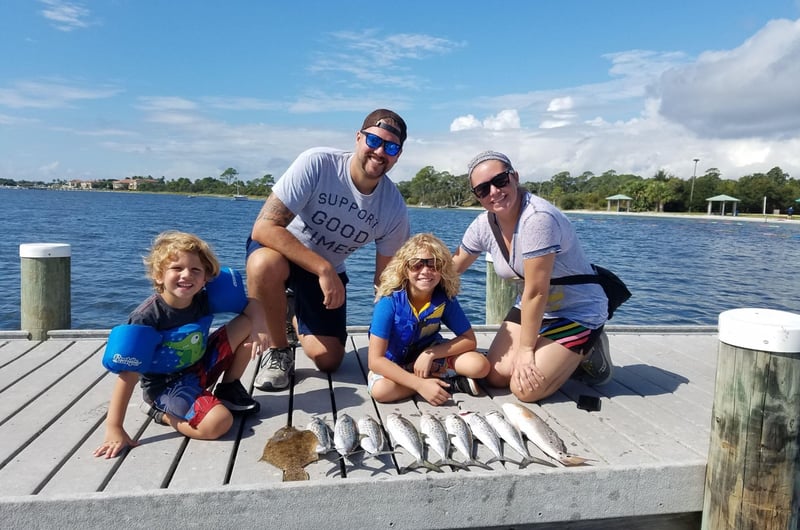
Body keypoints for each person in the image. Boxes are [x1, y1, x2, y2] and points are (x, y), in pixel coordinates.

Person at [246, 109, 411, 391]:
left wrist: (396, 337)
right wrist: (322, 268)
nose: (380, 151)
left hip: (327, 271)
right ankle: (278, 351)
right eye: (374, 140)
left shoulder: (393, 208)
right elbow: (263, 228)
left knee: (328, 359)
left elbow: (384, 283)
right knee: (264, 265)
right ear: (359, 138)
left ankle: (292, 313)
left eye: (391, 147)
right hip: (282, 253)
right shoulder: (319, 163)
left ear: (398, 155)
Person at [452, 151, 611, 403]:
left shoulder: (537, 219)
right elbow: (454, 266)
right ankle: (551, 349)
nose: (493, 191)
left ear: (514, 177)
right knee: (495, 375)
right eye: (483, 189)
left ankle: (589, 349)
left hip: (577, 311)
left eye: (500, 181)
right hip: (534, 309)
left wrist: (526, 351)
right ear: (477, 196)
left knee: (525, 389)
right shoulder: (484, 224)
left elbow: (536, 290)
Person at [93, 231, 268, 459]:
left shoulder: (203, 300)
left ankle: (229, 387)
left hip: (199, 367)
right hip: (166, 385)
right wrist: (114, 428)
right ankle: (160, 413)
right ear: (159, 275)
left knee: (247, 322)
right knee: (219, 423)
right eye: (177, 268)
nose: (187, 275)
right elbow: (127, 376)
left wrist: (261, 328)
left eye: (196, 270)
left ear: (205, 278)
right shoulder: (147, 317)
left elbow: (252, 305)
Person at [367, 233, 490, 406]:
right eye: (416, 264)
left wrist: (429, 354)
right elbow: (375, 361)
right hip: (392, 362)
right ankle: (445, 384)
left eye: (433, 264)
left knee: (479, 366)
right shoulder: (389, 301)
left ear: (443, 269)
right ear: (404, 269)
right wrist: (419, 385)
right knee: (381, 391)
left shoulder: (445, 298)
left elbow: (469, 340)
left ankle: (433, 380)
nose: (425, 271)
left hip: (429, 358)